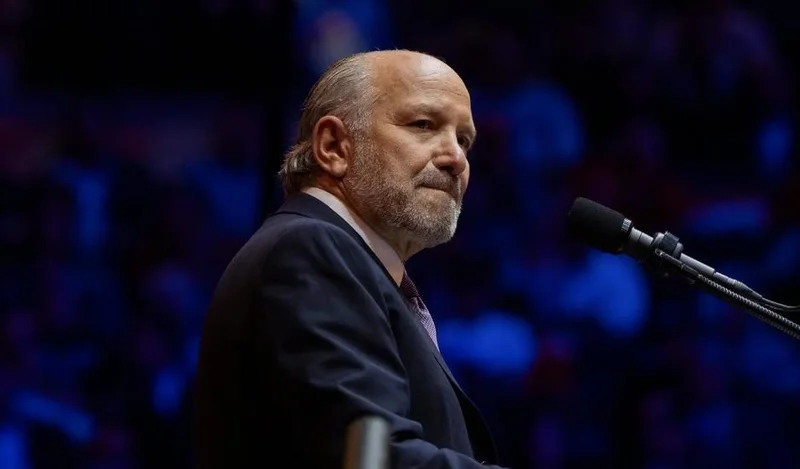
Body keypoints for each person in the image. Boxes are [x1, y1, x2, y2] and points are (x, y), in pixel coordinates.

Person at [194, 49, 509, 469]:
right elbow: (369, 457)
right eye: (423, 125)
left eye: (464, 140)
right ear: (333, 146)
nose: (456, 159)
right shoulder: (308, 250)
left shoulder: (346, 261)